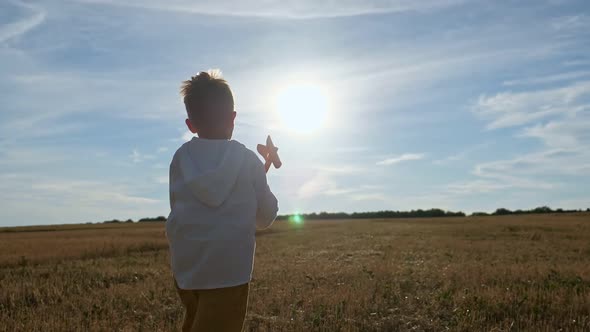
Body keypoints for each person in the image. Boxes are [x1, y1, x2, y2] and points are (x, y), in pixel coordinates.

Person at [166, 70, 279, 332]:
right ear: (233, 118)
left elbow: (178, 207)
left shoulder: (180, 158)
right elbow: (265, 216)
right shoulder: (248, 159)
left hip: (187, 270)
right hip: (229, 273)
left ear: (191, 125)